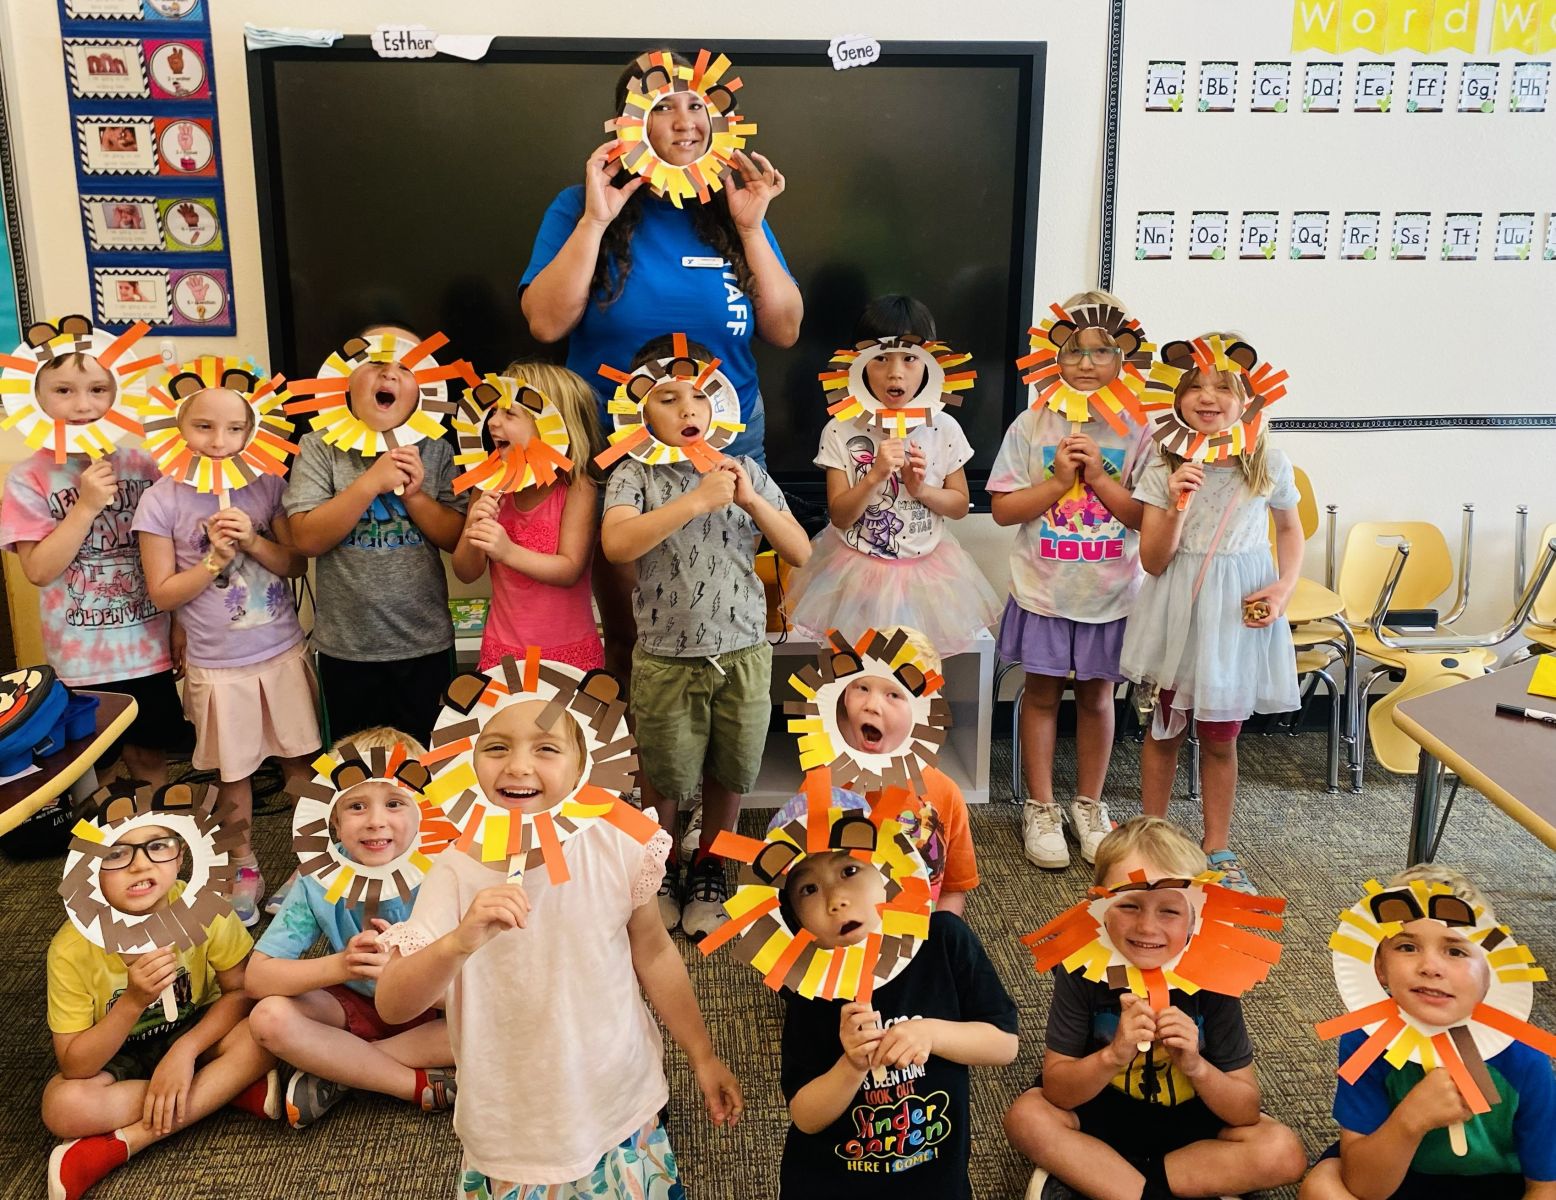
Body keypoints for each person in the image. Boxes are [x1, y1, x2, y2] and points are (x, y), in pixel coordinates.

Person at [374, 694, 742, 1199]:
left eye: (546, 748)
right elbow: (393, 1003)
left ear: (583, 764)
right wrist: (457, 944)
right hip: (514, 1125)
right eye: (497, 747)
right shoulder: (454, 866)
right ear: (468, 760)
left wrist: (702, 1055)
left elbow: (654, 954)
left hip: (618, 1101)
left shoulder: (618, 841)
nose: (519, 765)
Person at [520, 48, 803, 671]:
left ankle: (716, 742)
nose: (684, 120)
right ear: (629, 122)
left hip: (726, 435)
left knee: (720, 609)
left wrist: (753, 230)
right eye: (663, 106)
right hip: (611, 438)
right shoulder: (578, 203)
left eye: (697, 105)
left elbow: (784, 329)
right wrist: (597, 220)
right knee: (630, 624)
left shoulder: (734, 210)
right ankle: (641, 758)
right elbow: (544, 322)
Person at [601, 335, 811, 940]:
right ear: (638, 409)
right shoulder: (633, 474)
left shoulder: (744, 469)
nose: (688, 409)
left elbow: (797, 549)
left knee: (731, 770)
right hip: (666, 657)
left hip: (742, 652)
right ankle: (661, 868)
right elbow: (618, 545)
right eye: (669, 398)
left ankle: (712, 866)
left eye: (699, 395)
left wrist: (748, 497)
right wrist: (693, 501)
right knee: (663, 775)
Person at [1004, 816, 1306, 1200]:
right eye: (1129, 905)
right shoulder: (1080, 967)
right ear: (1099, 906)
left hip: (1192, 1124)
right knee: (1026, 1117)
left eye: (1169, 911)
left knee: (1283, 1152)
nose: (1147, 928)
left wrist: (1196, 1065)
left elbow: (1245, 1110)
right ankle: (1168, 1189)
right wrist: (1112, 1056)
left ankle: (1107, 1184)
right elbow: (1059, 1091)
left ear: (1197, 916)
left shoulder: (1214, 974)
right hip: (1101, 1115)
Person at [1118, 337, 1303, 894]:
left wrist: (1284, 586)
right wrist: (1174, 501)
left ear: (1248, 399)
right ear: (1173, 397)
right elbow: (1153, 560)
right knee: (1165, 726)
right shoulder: (1162, 459)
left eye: (1224, 386)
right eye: (1194, 385)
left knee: (1221, 736)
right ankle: (1152, 839)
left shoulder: (1266, 459)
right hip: (1178, 608)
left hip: (1234, 614)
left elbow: (1290, 530)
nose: (1207, 396)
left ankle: (1216, 846)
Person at [133, 380, 319, 925]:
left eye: (235, 428)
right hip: (217, 666)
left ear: (252, 430)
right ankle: (242, 864)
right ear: (178, 428)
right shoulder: (161, 499)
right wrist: (213, 560)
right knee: (231, 776)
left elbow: (294, 565)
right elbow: (163, 592)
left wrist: (255, 541)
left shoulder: (268, 484)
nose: (220, 440)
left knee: (301, 762)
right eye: (204, 426)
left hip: (280, 653)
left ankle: (309, 864)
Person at [988, 291, 1154, 872]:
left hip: (1111, 591)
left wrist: (1101, 478)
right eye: (1073, 350)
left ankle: (1089, 804)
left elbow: (1143, 516)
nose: (1087, 362)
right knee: (1040, 693)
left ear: (1123, 358)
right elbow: (1005, 511)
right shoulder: (1030, 424)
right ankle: (1040, 805)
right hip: (1045, 589)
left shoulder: (1141, 429)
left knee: (1097, 695)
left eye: (1102, 350)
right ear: (1050, 356)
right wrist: (1059, 483)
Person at [43, 799, 278, 1200]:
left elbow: (242, 992)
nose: (141, 866)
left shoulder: (205, 908)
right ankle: (223, 1091)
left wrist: (184, 1054)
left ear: (180, 853)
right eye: (116, 853)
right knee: (62, 1107)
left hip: (198, 1034)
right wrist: (133, 1002)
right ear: (87, 869)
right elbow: (75, 1064)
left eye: (158, 846)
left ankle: (129, 1140)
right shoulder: (70, 949)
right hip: (119, 1055)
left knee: (270, 1027)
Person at [1300, 866, 1556, 1200]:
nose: (1430, 967)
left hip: (1498, 1183)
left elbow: (1545, 1185)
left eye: (1455, 950)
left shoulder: (1522, 1055)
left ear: (1490, 972)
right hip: (1398, 1171)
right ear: (1379, 967)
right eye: (1408, 947)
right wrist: (1411, 1119)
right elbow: (1364, 1187)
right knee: (1321, 1187)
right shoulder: (1367, 1040)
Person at [779, 846, 1019, 1196]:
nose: (835, 901)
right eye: (808, 889)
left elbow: (1004, 1044)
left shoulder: (942, 939)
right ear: (795, 917)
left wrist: (931, 1033)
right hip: (833, 1185)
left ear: (888, 869)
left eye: (848, 871)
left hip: (936, 1180)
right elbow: (805, 1115)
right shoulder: (810, 983)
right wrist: (851, 1066)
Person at [247, 726, 454, 1129]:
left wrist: (413, 977)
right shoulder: (318, 877)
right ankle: (406, 1083)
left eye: (395, 803)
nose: (376, 822)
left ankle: (344, 1067)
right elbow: (257, 978)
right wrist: (343, 966)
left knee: (512, 1023)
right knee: (268, 1018)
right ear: (334, 821)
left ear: (424, 811)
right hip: (355, 1004)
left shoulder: (449, 865)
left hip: (437, 1012)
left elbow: (489, 984)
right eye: (357, 806)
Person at [0, 346, 183, 788]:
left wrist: (180, 626)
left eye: (98, 389)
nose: (84, 405)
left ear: (118, 394)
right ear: (36, 399)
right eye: (64, 390)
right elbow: (39, 570)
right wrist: (84, 507)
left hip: (147, 649)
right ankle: (97, 852)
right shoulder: (29, 478)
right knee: (89, 770)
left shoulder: (145, 466)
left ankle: (162, 846)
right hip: (81, 661)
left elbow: (172, 557)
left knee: (151, 760)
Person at [783, 295, 1000, 656]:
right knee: (851, 672)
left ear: (930, 363)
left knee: (916, 676)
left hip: (926, 576)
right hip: (855, 576)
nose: (895, 372)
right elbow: (840, 515)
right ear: (859, 364)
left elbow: (959, 505)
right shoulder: (840, 429)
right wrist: (874, 476)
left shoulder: (943, 428)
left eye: (910, 358)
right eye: (880, 358)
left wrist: (921, 490)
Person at [282, 323, 468, 744]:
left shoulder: (438, 449)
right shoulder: (319, 447)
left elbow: (456, 538)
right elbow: (307, 540)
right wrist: (369, 483)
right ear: (344, 382)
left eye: (405, 367)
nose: (388, 375)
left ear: (424, 389)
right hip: (346, 648)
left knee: (428, 757)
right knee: (351, 761)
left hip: (424, 643)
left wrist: (417, 497)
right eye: (374, 364)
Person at [767, 626, 979, 915]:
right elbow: (799, 882)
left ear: (926, 709)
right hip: (847, 936)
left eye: (894, 694)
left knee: (958, 943)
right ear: (843, 694)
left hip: (919, 934)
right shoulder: (821, 786)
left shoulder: (945, 794)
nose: (872, 706)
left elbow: (954, 888)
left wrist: (934, 937)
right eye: (862, 687)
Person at [451, 363, 605, 671]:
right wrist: (475, 529)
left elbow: (569, 569)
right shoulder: (487, 483)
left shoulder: (577, 486)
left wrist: (507, 551)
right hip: (503, 652)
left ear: (552, 425)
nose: (493, 422)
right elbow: (466, 571)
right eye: (493, 411)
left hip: (568, 652)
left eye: (510, 414)